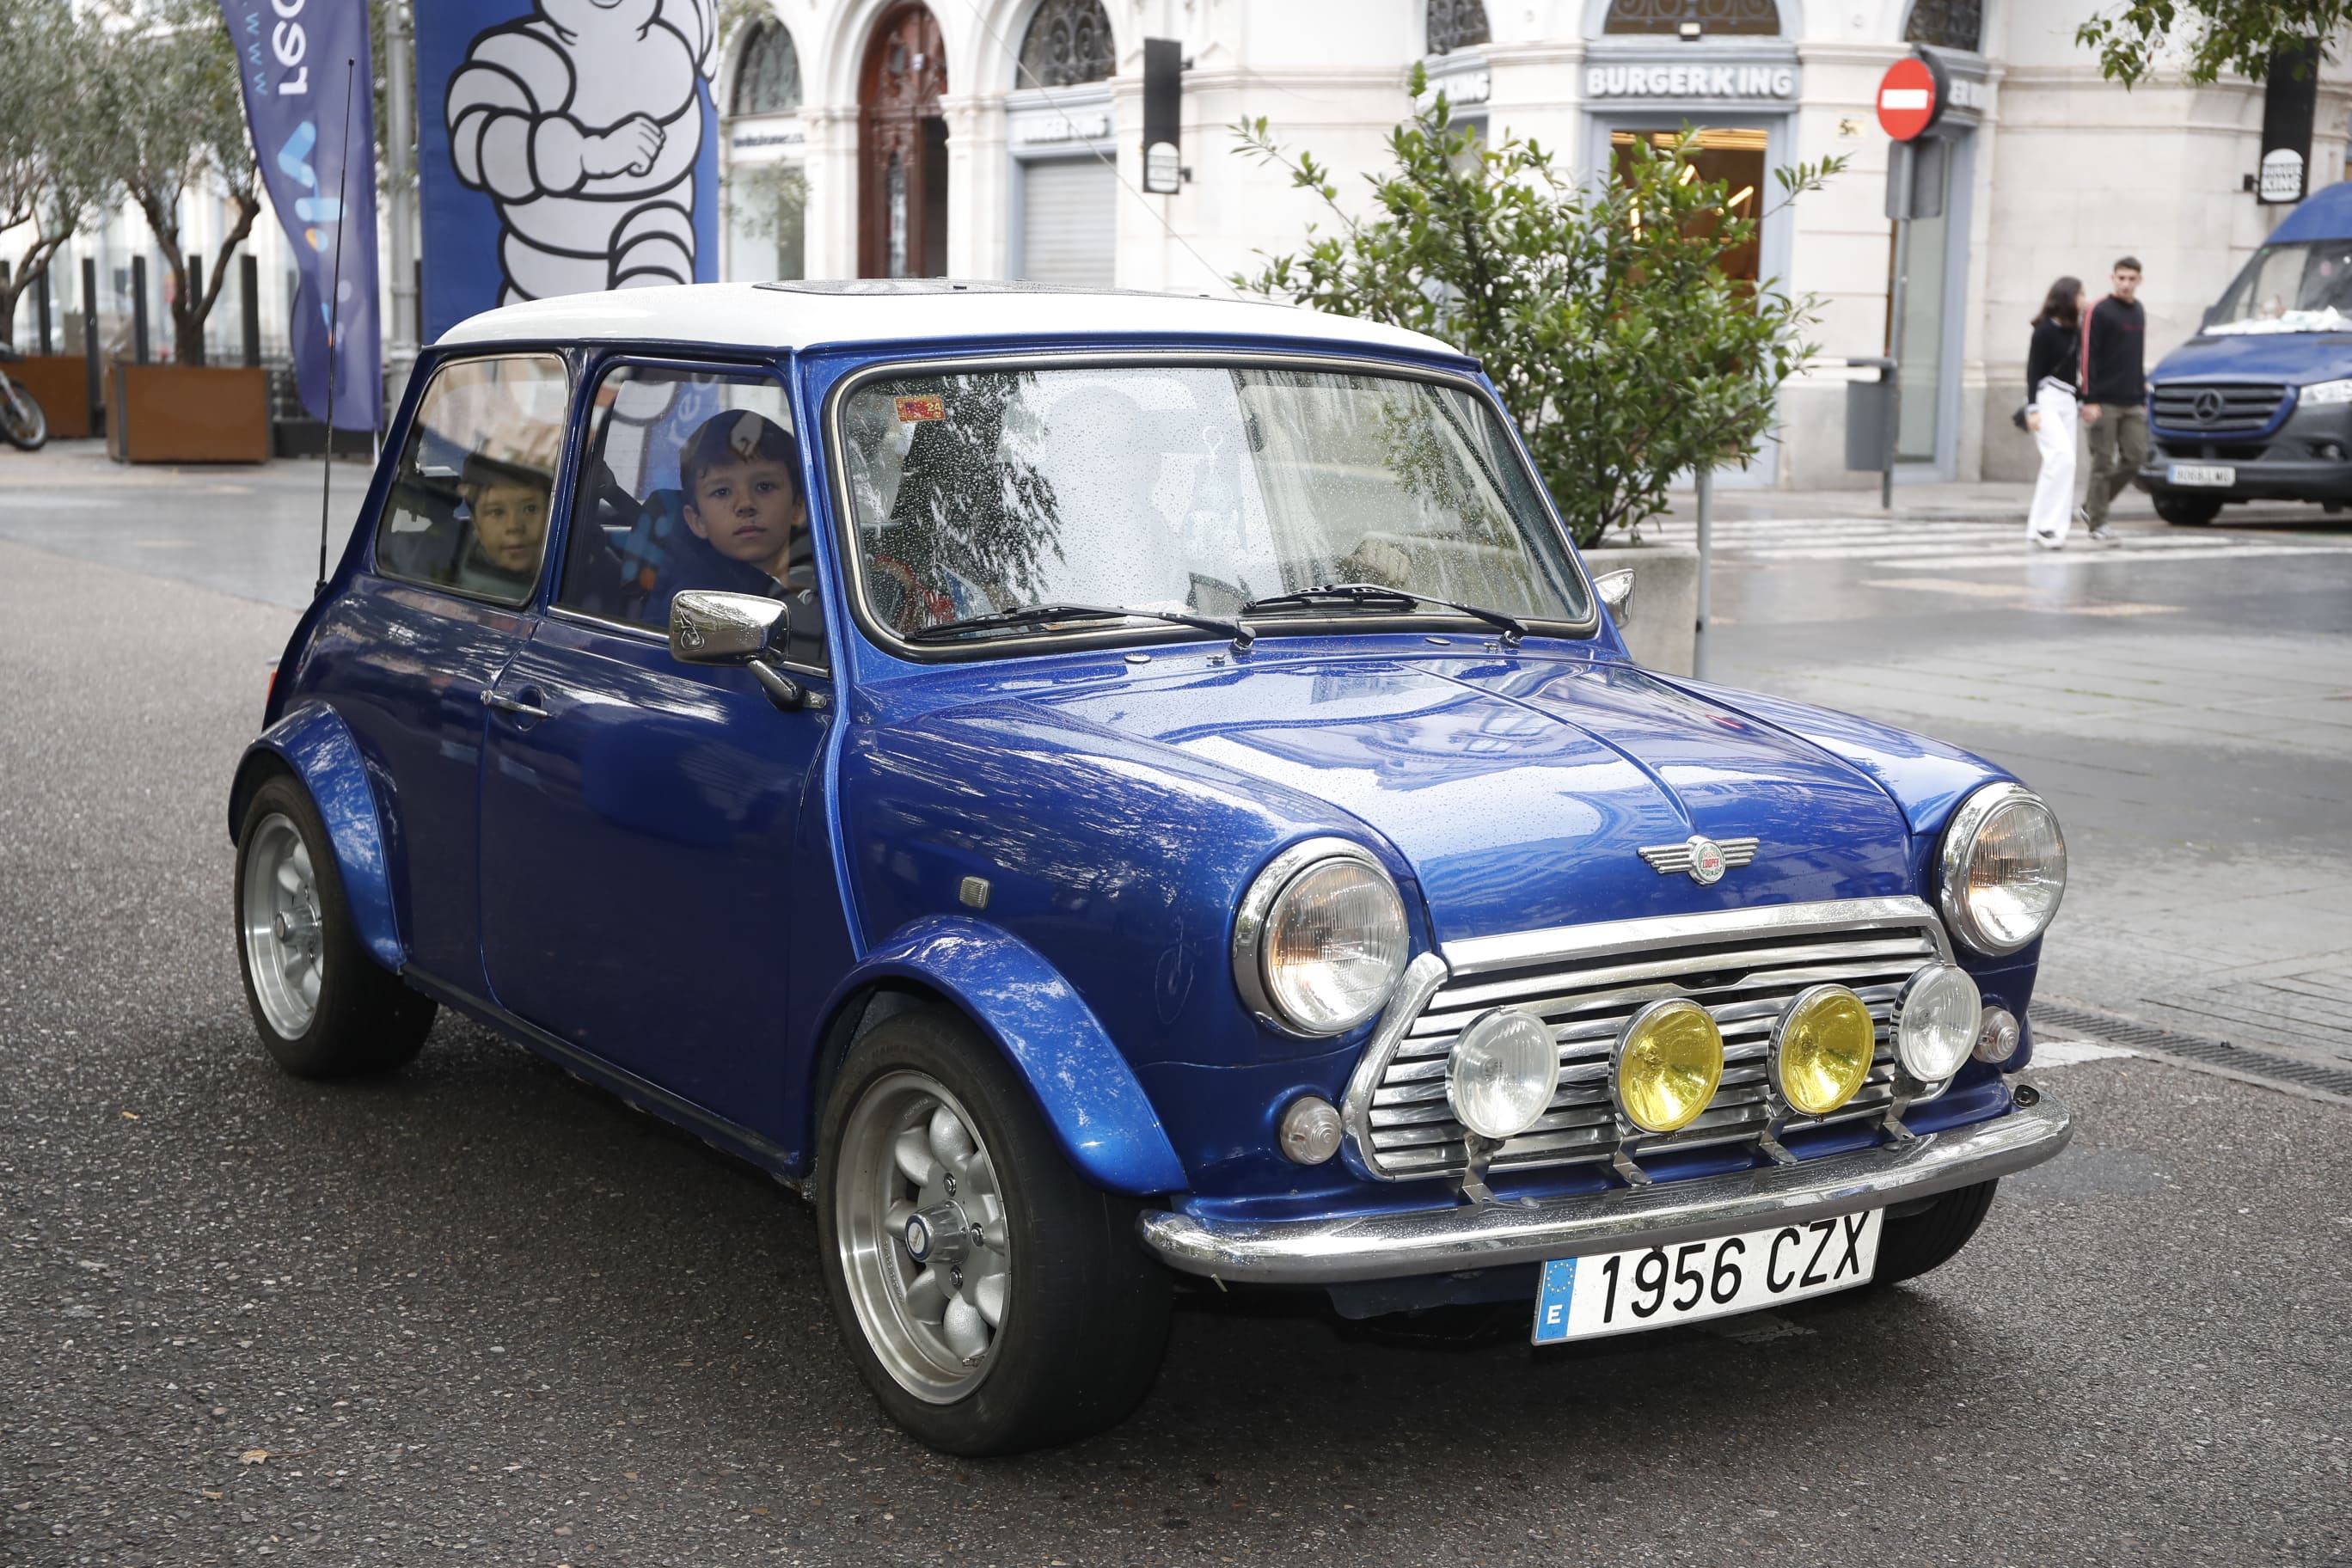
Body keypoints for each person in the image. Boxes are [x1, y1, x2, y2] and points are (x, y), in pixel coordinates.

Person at [646, 409, 826, 663]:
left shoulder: (829, 575)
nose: (745, 504)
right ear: (696, 521)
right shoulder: (695, 601)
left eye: (764, 486)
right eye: (722, 492)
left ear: (798, 507)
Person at [2079, 256, 2147, 542]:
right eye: (2121, 278)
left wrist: (2141, 395)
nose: (2126, 284)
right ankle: (2098, 522)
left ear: (2139, 281)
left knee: (2136, 458)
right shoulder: (2100, 309)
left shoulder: (2139, 311)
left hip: (2132, 400)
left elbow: (2135, 356)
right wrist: (2089, 398)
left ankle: (2090, 505)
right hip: (2103, 400)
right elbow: (2087, 354)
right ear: (2112, 278)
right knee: (2102, 462)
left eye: (2131, 279)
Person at [2024, 277, 2086, 549]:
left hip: (2068, 401)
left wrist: (2082, 401)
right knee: (2063, 458)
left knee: (2057, 464)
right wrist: (2032, 407)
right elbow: (2033, 370)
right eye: (2080, 294)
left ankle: (2042, 526)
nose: (2084, 299)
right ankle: (2046, 526)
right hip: (2047, 398)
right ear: (2067, 297)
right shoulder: (2044, 330)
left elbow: (2077, 371)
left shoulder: (2076, 330)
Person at [453, 452, 554, 598]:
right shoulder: (462, 584)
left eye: (530, 509)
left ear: (552, 514)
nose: (514, 526)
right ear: (477, 527)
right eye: (497, 512)